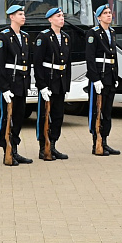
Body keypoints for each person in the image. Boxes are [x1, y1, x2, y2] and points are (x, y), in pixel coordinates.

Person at [0, 4, 33, 166]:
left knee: (18, 117)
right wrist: (4, 88)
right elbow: (0, 65)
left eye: (23, 14)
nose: (23, 17)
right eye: (19, 14)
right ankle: (7, 150)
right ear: (11, 17)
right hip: (9, 84)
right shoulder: (3, 37)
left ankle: (14, 149)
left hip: (21, 83)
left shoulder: (25, 36)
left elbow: (27, 62)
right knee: (7, 118)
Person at [33, 8, 71, 161]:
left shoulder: (66, 37)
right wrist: (41, 85)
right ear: (50, 19)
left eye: (62, 16)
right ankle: (43, 147)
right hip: (48, 82)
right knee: (44, 115)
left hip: (60, 82)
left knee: (58, 115)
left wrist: (66, 84)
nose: (61, 18)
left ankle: (53, 144)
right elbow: (37, 63)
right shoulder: (43, 37)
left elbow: (67, 63)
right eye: (58, 16)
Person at [85, 4, 120, 156]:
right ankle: (96, 143)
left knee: (107, 112)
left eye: (109, 12)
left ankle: (104, 141)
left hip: (110, 77)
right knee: (97, 111)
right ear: (99, 17)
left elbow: (114, 56)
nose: (109, 15)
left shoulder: (112, 32)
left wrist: (116, 76)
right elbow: (90, 58)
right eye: (105, 13)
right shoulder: (93, 33)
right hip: (99, 76)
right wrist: (95, 79)